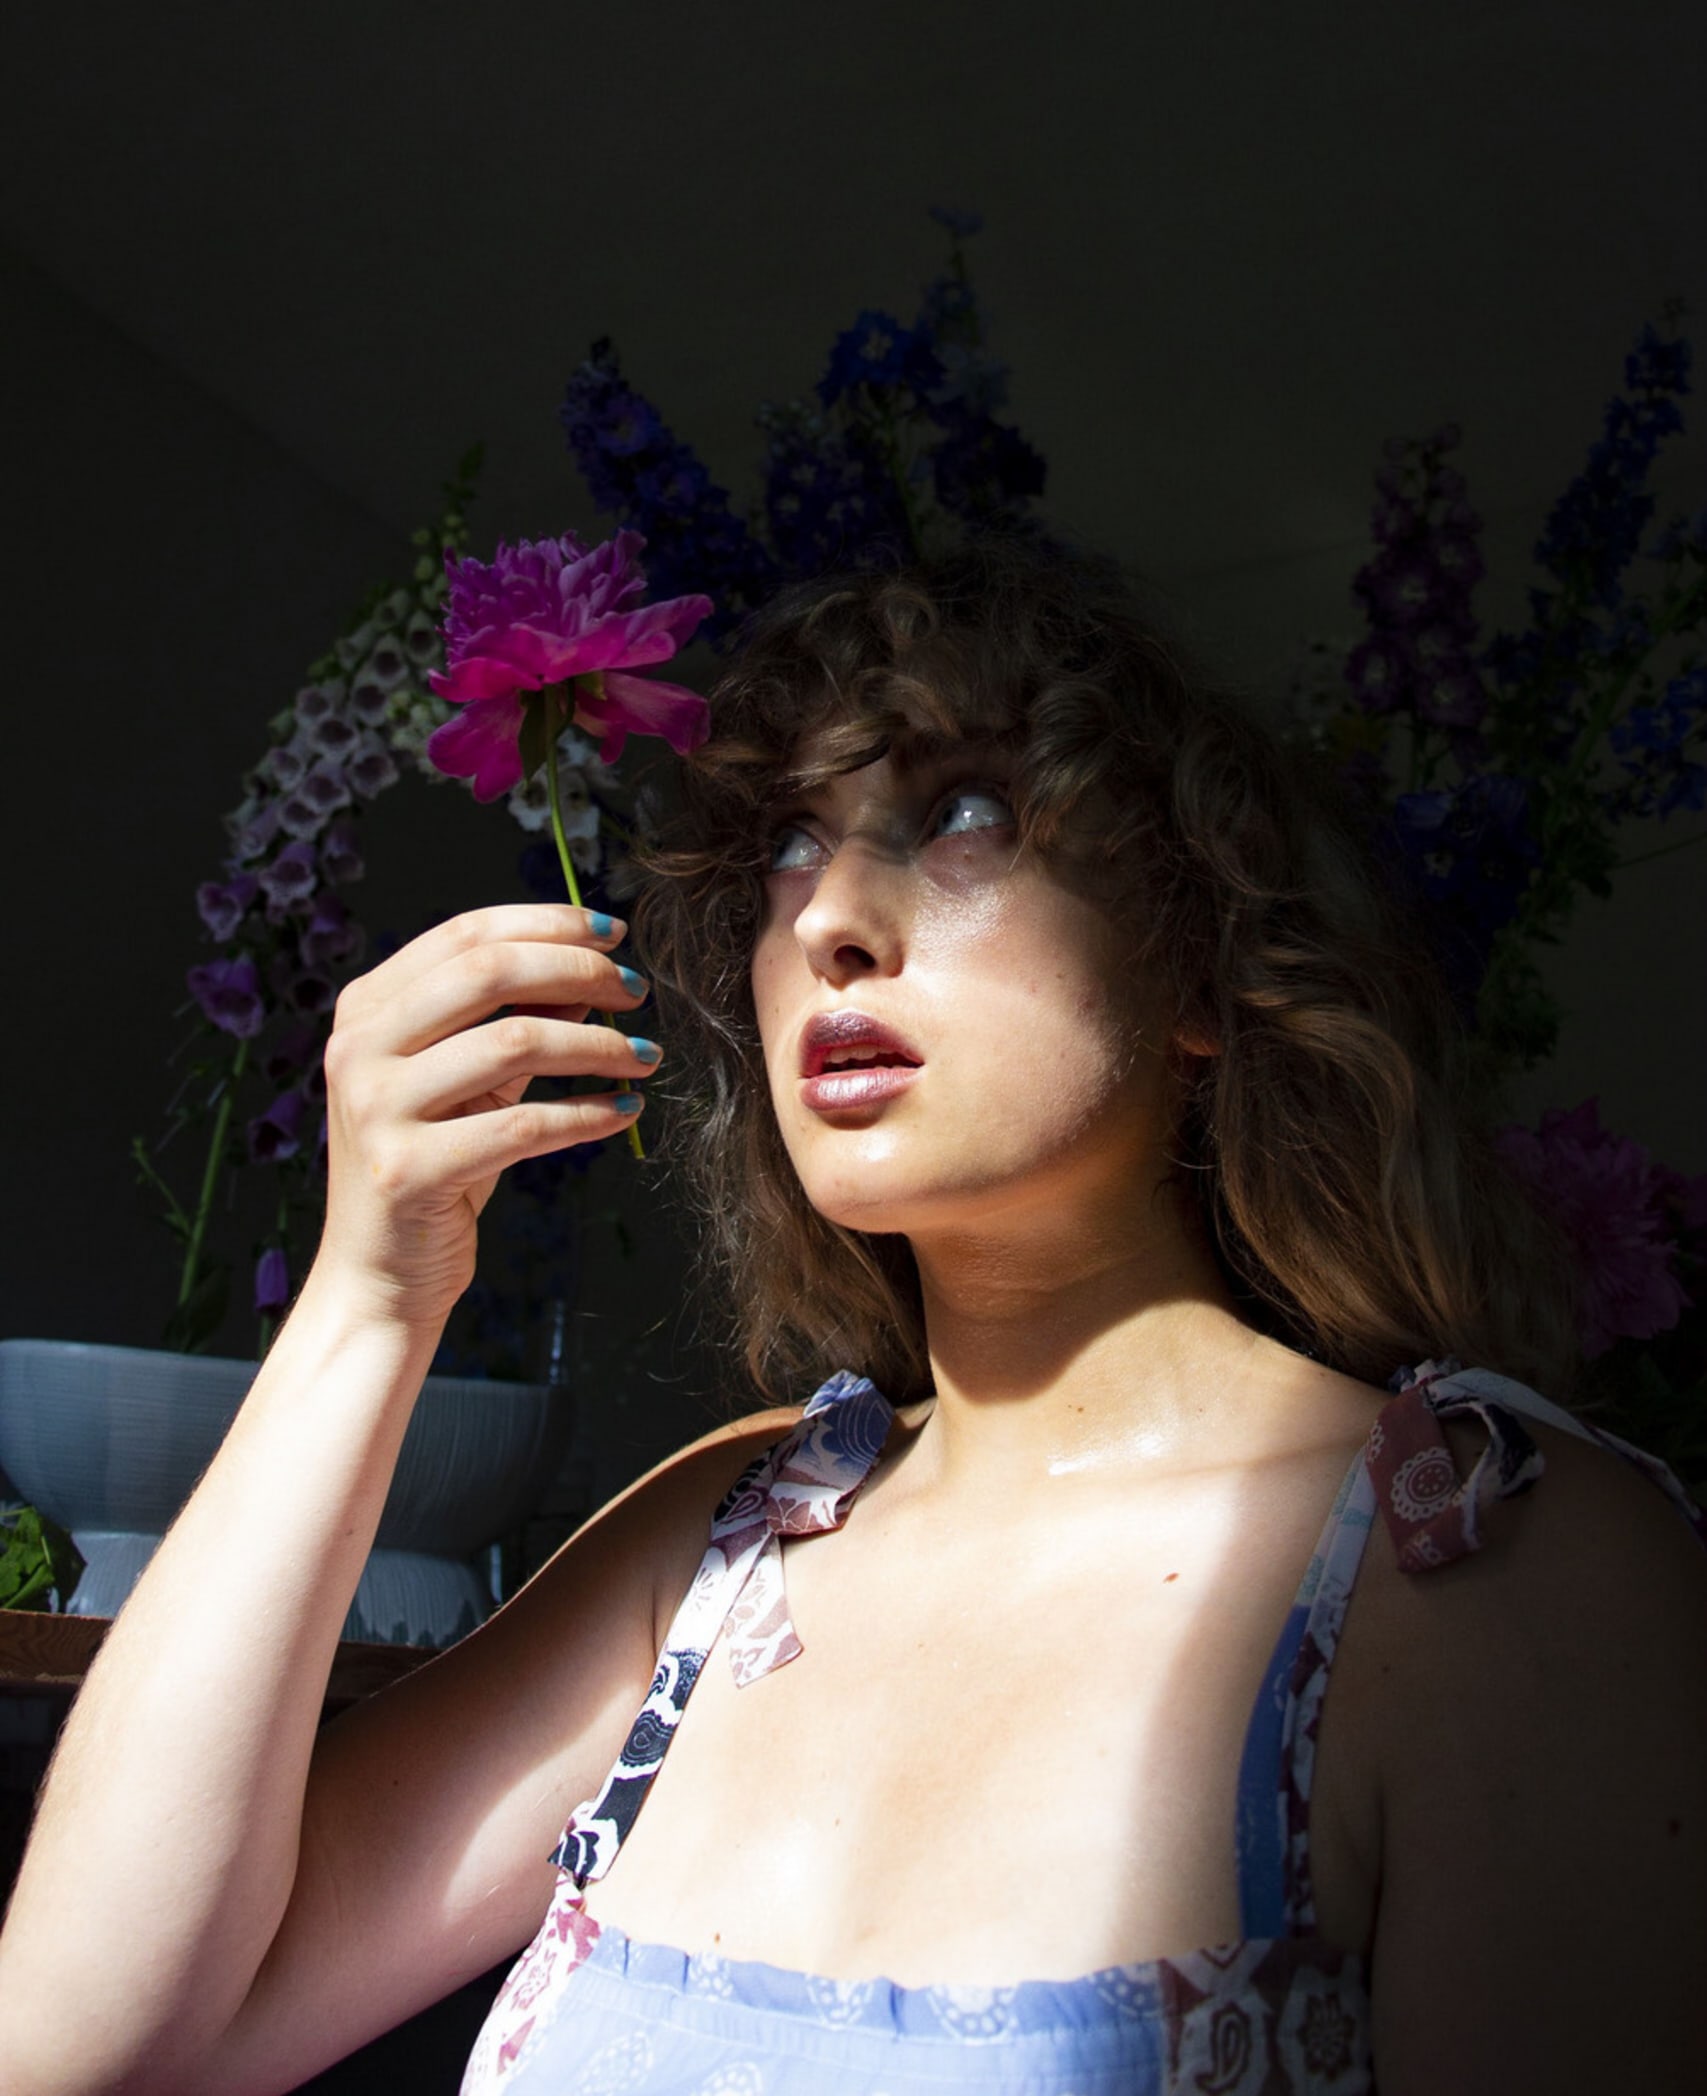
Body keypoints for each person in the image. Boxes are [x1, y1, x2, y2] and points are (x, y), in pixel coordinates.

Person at [1, 541, 1703, 2094]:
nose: (825, 918)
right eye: (789, 847)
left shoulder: (1486, 1572)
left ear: (1198, 969)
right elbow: (93, 2047)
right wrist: (371, 1298)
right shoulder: (721, 1553)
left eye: (963, 817)